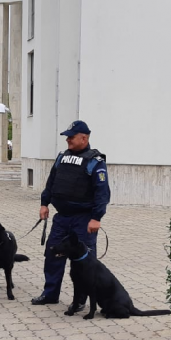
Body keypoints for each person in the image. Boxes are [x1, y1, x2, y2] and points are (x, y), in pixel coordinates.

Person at [31, 120, 110, 307]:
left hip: (83, 219)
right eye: (67, 137)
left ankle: (81, 300)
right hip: (62, 218)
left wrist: (96, 218)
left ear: (84, 138)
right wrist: (44, 203)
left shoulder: (95, 162)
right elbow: (51, 183)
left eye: (71, 137)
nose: (68, 140)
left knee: (84, 262)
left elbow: (102, 193)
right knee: (53, 255)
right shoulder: (62, 157)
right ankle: (50, 294)